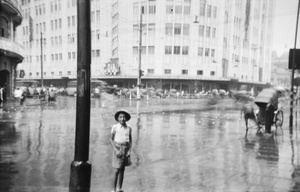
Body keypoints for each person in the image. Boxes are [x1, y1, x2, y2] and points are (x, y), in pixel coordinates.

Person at [110, 110, 132, 192]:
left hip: (125, 148)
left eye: (124, 117)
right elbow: (110, 139)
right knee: (116, 169)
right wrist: (115, 150)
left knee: (122, 169)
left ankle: (119, 188)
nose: (122, 119)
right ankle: (113, 189)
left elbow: (130, 140)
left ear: (126, 118)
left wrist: (129, 150)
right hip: (118, 148)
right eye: (120, 117)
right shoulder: (115, 127)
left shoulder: (129, 128)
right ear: (118, 119)